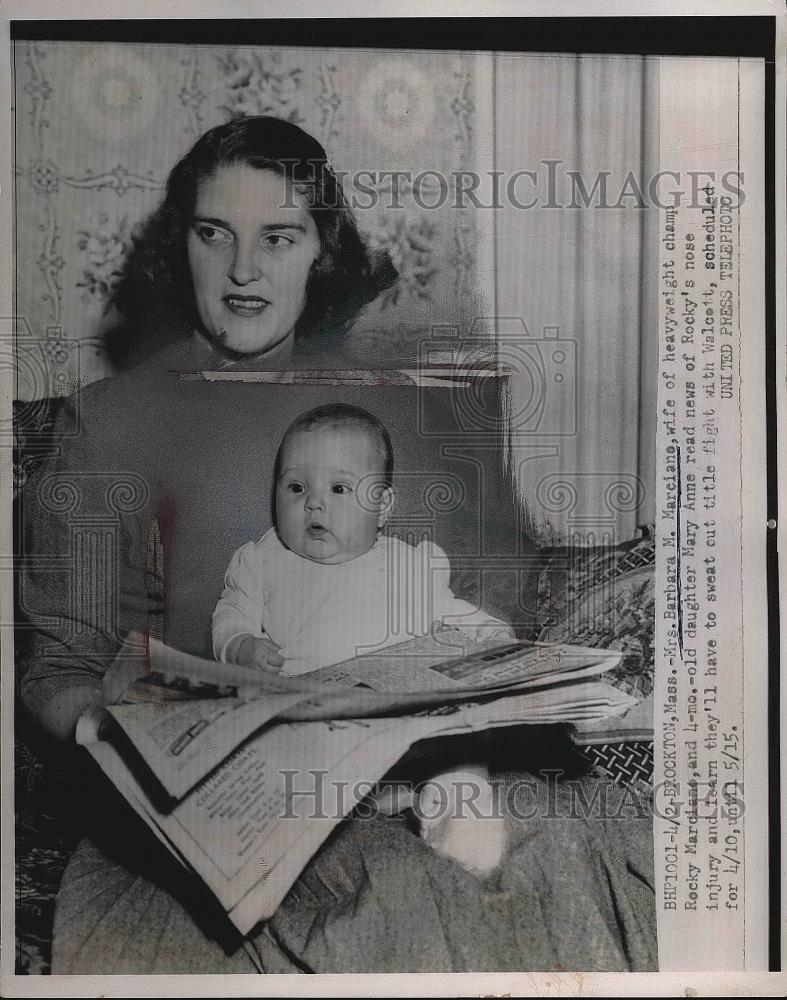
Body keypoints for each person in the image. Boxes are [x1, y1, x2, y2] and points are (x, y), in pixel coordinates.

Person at [17, 115, 657, 974]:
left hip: (411, 776)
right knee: (399, 902)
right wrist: (117, 742)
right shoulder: (103, 425)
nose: (244, 269)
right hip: (226, 809)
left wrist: (538, 676)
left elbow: (487, 586)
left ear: (320, 249)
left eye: (278, 237)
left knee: (583, 844)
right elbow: (58, 668)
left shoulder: (391, 402)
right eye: (216, 234)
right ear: (184, 245)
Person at [213, 402, 514, 675]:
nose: (314, 503)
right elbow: (232, 613)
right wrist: (239, 646)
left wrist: (492, 635)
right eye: (296, 487)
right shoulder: (264, 560)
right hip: (303, 700)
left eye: (338, 489)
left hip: (394, 698)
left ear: (381, 507)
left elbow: (456, 613)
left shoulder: (408, 566)